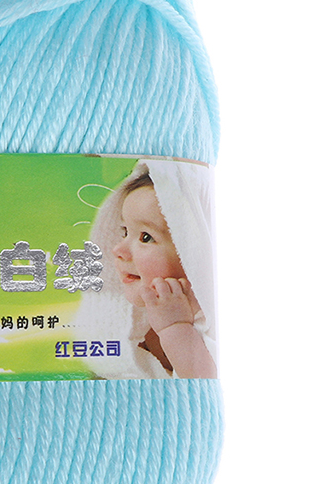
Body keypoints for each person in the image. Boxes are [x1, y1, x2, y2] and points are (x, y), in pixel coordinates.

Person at [75, 160, 218, 379]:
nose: (118, 250)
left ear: (194, 253)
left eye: (145, 237)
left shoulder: (212, 325)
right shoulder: (126, 327)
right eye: (124, 232)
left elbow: (201, 387)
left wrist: (176, 327)